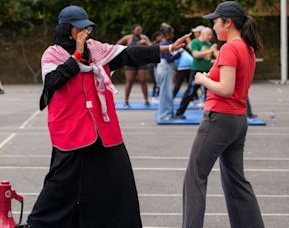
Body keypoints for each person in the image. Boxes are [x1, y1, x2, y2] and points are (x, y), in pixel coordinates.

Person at [22, 5, 190, 228]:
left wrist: (167, 48)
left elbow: (129, 53)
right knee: (61, 185)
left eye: (87, 28)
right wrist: (76, 55)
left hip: (102, 129)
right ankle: (40, 224)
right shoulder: (53, 54)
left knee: (117, 179)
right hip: (70, 130)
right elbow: (53, 82)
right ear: (66, 30)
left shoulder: (97, 50)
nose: (86, 33)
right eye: (79, 29)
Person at [182, 2, 264, 228]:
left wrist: (203, 79)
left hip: (219, 118)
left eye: (215, 22)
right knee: (236, 182)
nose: (213, 26)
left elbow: (226, 89)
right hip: (238, 120)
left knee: (194, 178)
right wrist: (213, 78)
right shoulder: (247, 47)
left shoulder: (229, 47)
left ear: (228, 23)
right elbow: (234, 85)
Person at [175, 27, 218, 119]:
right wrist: (210, 50)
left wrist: (215, 50)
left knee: (210, 94)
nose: (210, 37)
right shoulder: (195, 42)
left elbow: (216, 56)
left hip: (207, 71)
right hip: (197, 71)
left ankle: (210, 114)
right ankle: (179, 112)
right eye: (208, 35)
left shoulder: (209, 43)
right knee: (190, 92)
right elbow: (196, 54)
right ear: (202, 34)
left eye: (211, 35)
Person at [117, 24, 151, 108]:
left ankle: (146, 100)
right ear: (133, 30)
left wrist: (146, 43)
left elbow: (151, 47)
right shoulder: (128, 38)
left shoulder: (144, 38)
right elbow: (117, 45)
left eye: (140, 29)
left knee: (143, 81)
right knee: (129, 81)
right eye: (137, 29)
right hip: (130, 62)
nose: (139, 31)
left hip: (141, 62)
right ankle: (126, 101)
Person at [157, 24, 181, 120]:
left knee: (167, 91)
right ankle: (165, 114)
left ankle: (169, 112)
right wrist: (178, 54)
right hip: (165, 67)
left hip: (165, 68)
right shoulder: (164, 44)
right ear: (167, 34)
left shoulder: (166, 43)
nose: (173, 35)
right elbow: (168, 59)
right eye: (171, 34)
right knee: (165, 92)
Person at [150, 31, 164, 98]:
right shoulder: (153, 44)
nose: (161, 38)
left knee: (161, 81)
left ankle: (159, 94)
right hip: (155, 65)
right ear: (156, 37)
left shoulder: (163, 44)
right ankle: (154, 95)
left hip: (161, 65)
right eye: (160, 36)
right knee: (156, 81)